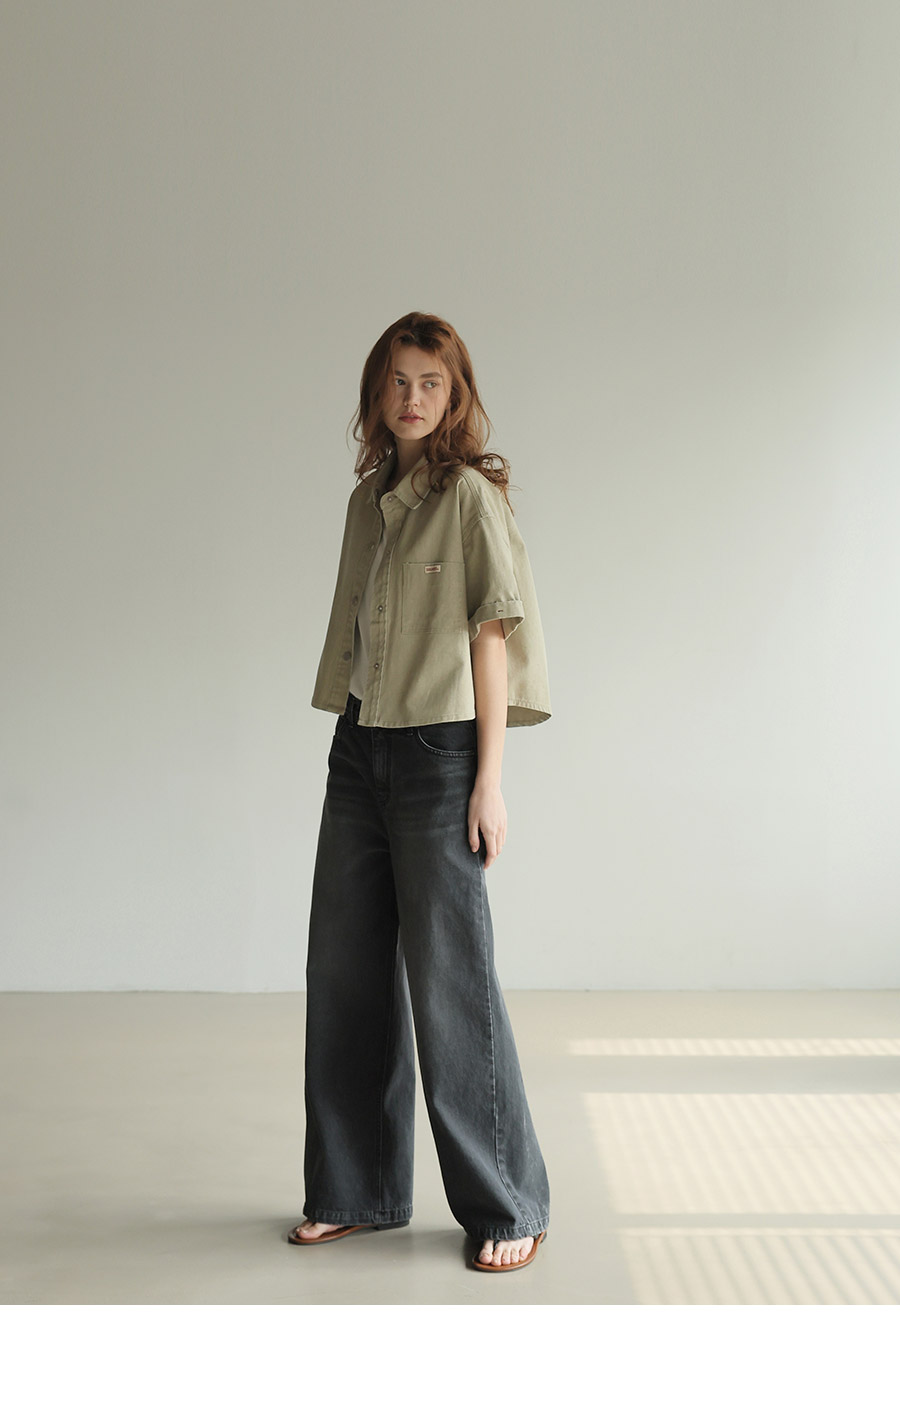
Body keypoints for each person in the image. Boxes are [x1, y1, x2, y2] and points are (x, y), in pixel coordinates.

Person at [288, 311, 552, 1272]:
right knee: (347, 971)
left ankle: (508, 1203)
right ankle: (356, 1190)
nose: (412, 398)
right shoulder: (367, 502)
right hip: (360, 748)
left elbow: (493, 638)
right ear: (377, 392)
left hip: (440, 753)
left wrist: (489, 781)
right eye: (398, 381)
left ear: (454, 395)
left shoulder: (469, 498)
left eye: (430, 383)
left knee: (451, 982)